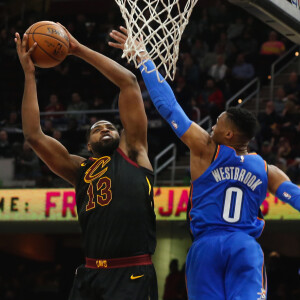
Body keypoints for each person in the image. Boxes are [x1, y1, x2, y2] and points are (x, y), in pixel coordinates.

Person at [109, 26, 300, 300]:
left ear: (230, 134)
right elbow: (295, 197)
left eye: (218, 123)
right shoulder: (267, 169)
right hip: (244, 247)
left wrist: (142, 57)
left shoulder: (207, 148)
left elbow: (168, 106)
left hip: (207, 247)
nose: (212, 127)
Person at [15, 25, 157, 300]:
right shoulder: (80, 169)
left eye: (110, 127)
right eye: (97, 128)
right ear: (89, 146)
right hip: (90, 274)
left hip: (132, 272)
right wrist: (30, 75)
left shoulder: (135, 151)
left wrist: (78, 49)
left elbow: (128, 81)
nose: (105, 129)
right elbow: (33, 135)